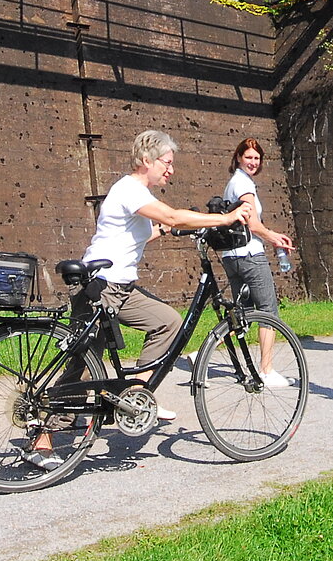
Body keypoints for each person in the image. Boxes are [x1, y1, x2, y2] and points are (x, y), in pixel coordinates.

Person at [31, 130, 250, 470]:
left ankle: (134, 396)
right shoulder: (130, 189)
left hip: (117, 286)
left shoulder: (134, 195)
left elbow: (150, 229)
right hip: (103, 287)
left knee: (166, 322)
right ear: (146, 160)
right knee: (84, 366)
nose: (171, 170)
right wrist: (225, 217)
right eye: (167, 163)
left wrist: (174, 229)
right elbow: (173, 215)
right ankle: (42, 441)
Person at [218, 137, 295, 389]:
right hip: (250, 255)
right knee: (267, 311)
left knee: (242, 314)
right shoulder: (243, 185)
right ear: (239, 157)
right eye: (248, 157)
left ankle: (202, 356)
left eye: (257, 158)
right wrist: (274, 238)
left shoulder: (234, 183)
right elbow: (252, 223)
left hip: (232, 256)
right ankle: (266, 369)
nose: (253, 162)